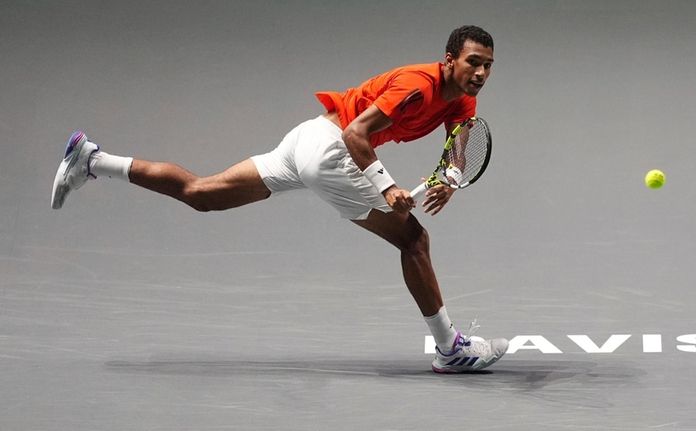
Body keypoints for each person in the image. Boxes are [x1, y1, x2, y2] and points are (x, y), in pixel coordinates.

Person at [51, 25, 508, 373]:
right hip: (332, 148)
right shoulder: (418, 84)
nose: (481, 73)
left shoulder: (462, 101)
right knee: (414, 241)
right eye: (473, 63)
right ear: (449, 60)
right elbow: (356, 133)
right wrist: (387, 186)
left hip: (305, 141)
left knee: (202, 194)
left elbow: (460, 145)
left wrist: (450, 175)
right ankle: (451, 351)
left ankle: (93, 160)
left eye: (488, 65)